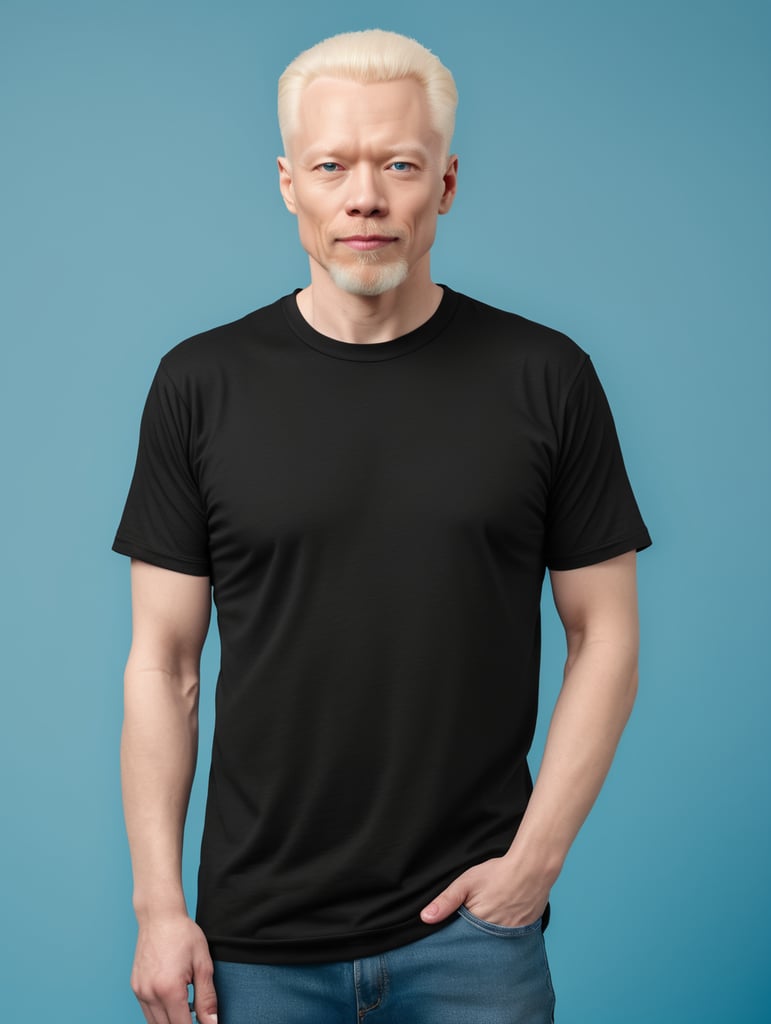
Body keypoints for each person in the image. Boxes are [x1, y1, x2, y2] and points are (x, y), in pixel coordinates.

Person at [114, 28, 651, 1024]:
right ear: (289, 183)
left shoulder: (546, 378)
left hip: (473, 943)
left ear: (445, 184)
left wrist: (531, 868)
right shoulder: (201, 385)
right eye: (332, 165)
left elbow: (607, 632)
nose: (365, 195)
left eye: (399, 164)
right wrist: (158, 906)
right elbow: (164, 663)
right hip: (253, 947)